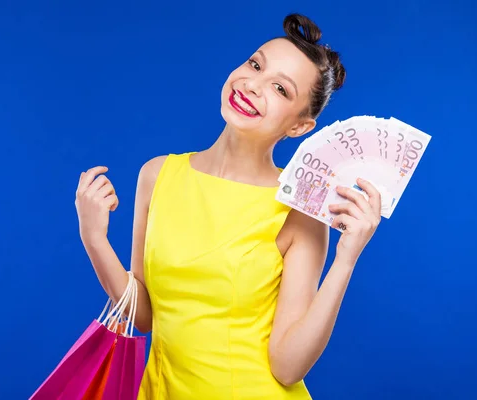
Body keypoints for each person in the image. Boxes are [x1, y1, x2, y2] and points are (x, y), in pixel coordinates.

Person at [74, 13, 381, 400]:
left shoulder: (298, 208)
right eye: (255, 64)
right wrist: (94, 238)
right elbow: (145, 315)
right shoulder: (157, 174)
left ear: (300, 127)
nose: (252, 85)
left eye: (280, 89)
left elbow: (287, 366)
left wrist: (346, 260)